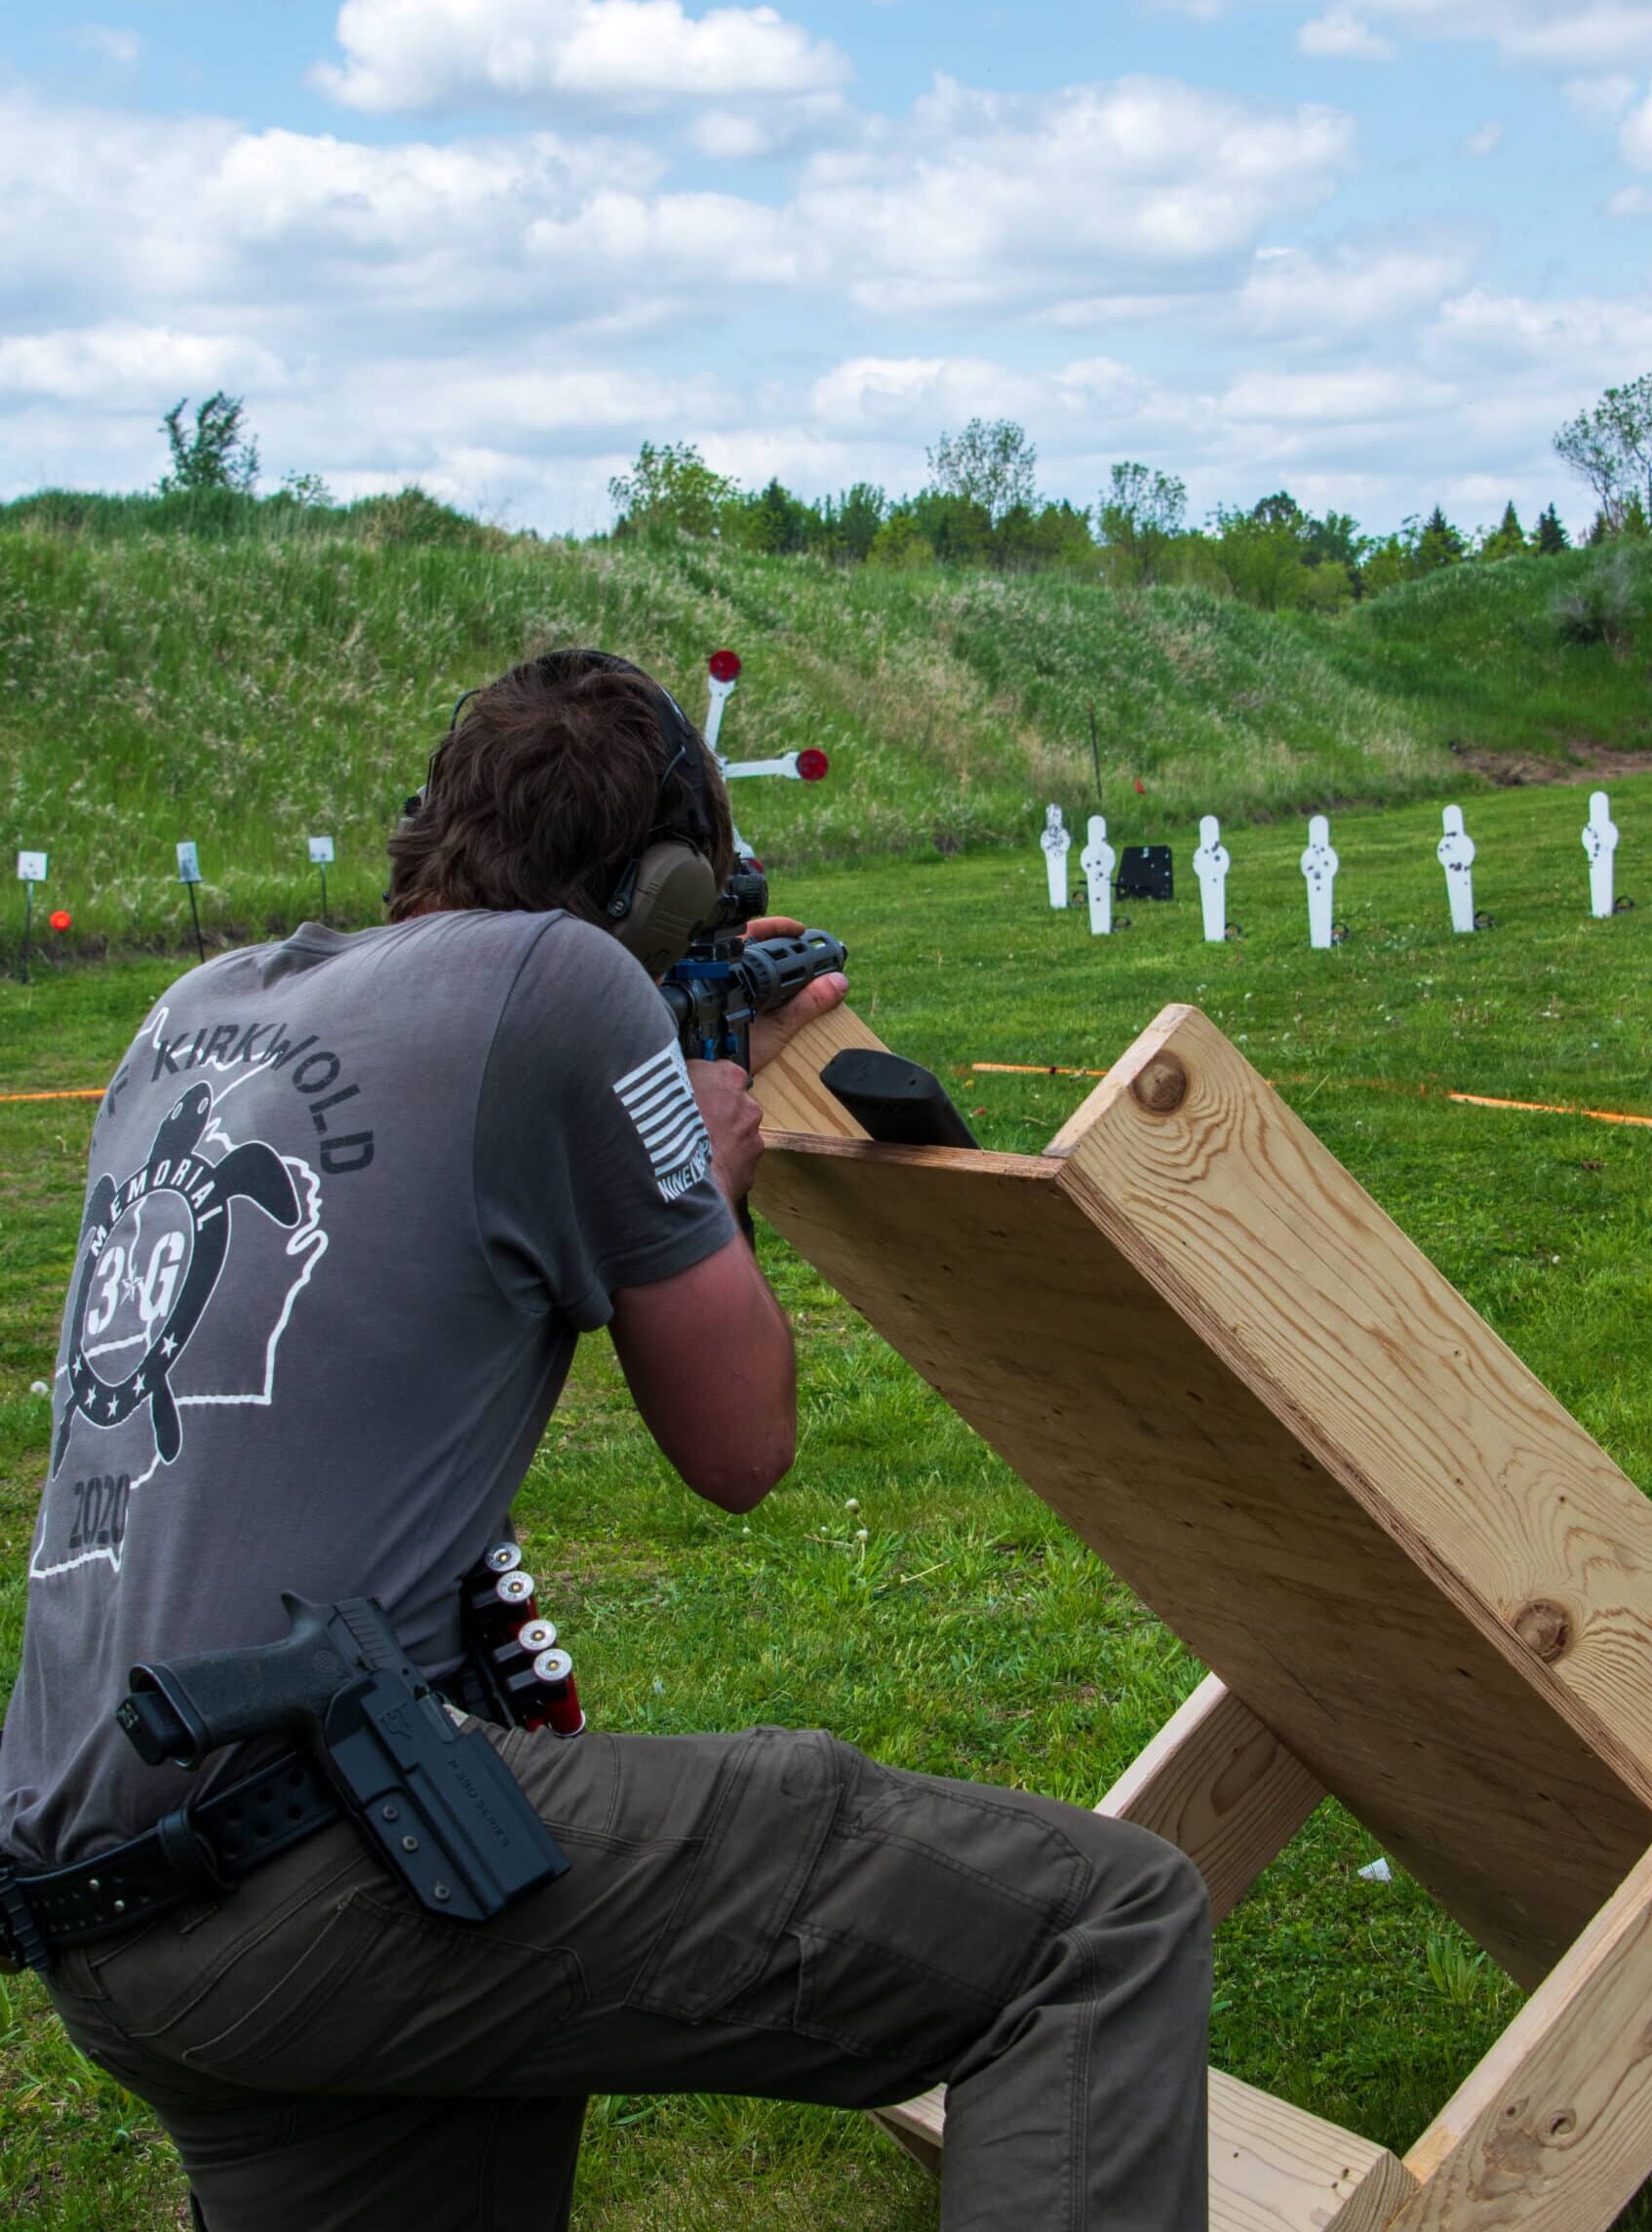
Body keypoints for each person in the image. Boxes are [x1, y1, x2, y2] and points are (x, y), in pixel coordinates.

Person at [0, 650, 1210, 2231]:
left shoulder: (193, 1013)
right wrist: (696, 1159)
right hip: (319, 1857)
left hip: (110, 1904)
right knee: (1091, 1930)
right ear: (663, 888)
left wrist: (663, 1033)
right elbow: (739, 1441)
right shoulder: (565, 989)